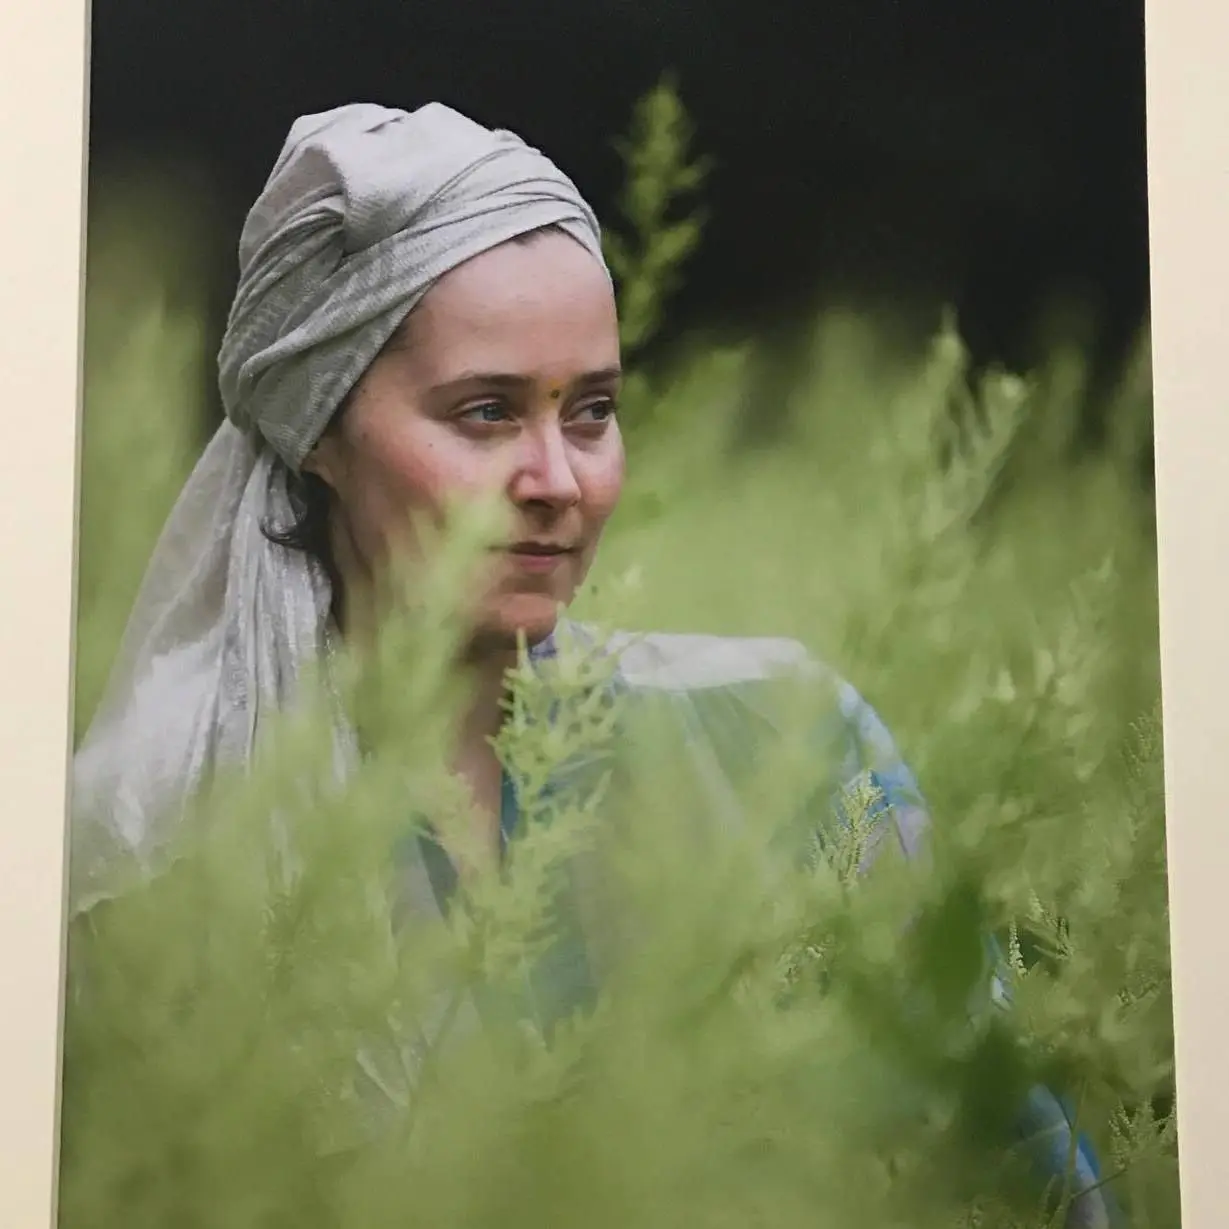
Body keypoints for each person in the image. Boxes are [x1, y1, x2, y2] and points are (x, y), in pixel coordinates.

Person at [69, 101, 1116, 1226]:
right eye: (483, 413)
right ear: (315, 426)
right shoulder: (163, 828)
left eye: (592, 412)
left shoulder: (779, 740)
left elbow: (1028, 1173)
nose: (556, 478)